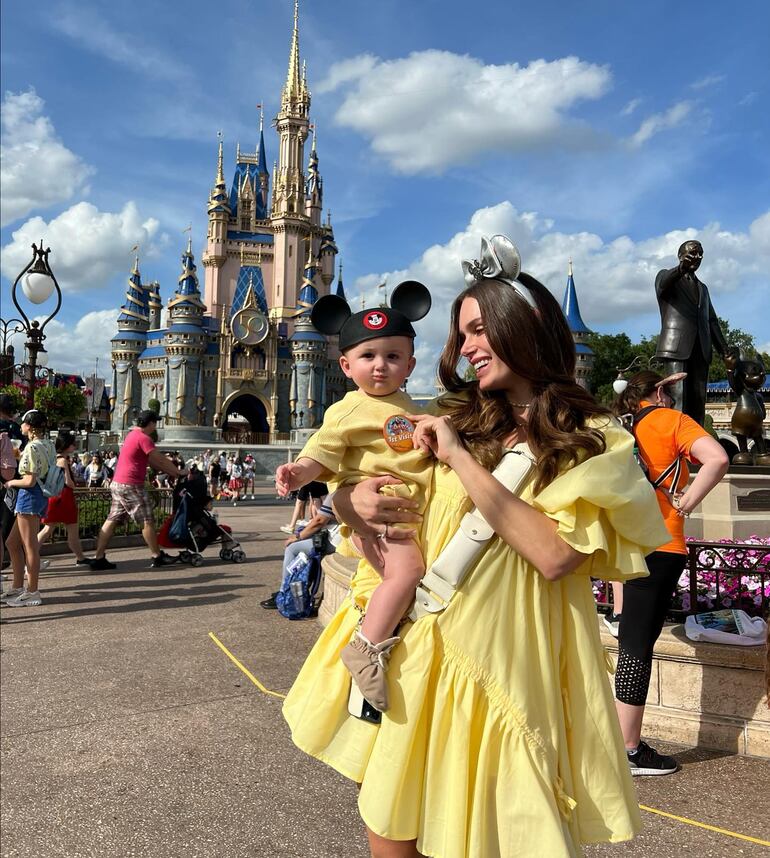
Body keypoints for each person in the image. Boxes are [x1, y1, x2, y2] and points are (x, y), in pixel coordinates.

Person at [282, 235, 670, 858]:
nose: (466, 348)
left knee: (498, 834)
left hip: (505, 663)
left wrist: (459, 457)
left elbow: (554, 554)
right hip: (421, 648)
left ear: (530, 327)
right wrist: (350, 501)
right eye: (463, 335)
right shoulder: (457, 416)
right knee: (392, 827)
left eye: (481, 329)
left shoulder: (594, 439)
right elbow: (378, 489)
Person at [276, 281, 432, 713]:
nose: (380, 366)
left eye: (392, 356)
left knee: (404, 585)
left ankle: (379, 646)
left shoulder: (414, 407)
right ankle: (365, 649)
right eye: (368, 356)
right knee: (406, 573)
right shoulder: (346, 410)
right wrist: (297, 471)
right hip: (381, 519)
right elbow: (321, 452)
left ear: (410, 364)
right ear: (345, 365)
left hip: (405, 516)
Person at [610, 370, 728, 775]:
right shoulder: (671, 421)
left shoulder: (619, 427)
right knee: (637, 648)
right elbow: (718, 458)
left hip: (625, 546)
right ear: (660, 392)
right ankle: (627, 749)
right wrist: (685, 503)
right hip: (662, 545)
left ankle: (616, 741)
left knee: (630, 637)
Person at [88, 410, 187, 570]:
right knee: (147, 520)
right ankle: (157, 556)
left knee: (111, 520)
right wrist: (179, 472)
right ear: (151, 423)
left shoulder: (132, 435)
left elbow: (153, 462)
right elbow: (160, 459)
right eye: (155, 423)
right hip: (131, 485)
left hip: (118, 484)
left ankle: (98, 557)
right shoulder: (144, 438)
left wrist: (172, 472)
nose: (155, 427)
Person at [654, 240, 735, 426]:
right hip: (677, 346)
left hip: (702, 348)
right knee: (678, 398)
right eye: (693, 253)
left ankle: (695, 445)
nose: (697, 257)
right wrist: (681, 268)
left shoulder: (703, 288)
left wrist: (724, 350)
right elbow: (662, 286)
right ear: (681, 255)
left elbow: (712, 321)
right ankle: (677, 447)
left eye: (700, 254)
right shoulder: (667, 277)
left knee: (698, 403)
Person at [2, 410, 57, 608]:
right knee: (12, 542)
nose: (21, 426)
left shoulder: (33, 447)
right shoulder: (48, 444)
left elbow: (29, 480)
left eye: (24, 423)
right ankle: (19, 587)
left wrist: (11, 483)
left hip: (29, 496)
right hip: (39, 496)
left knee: (29, 545)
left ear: (31, 427)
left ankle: (32, 590)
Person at [261, 494, 340, 610]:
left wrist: (298, 537)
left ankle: (285, 594)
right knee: (310, 547)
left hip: (337, 541)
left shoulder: (338, 491)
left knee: (293, 548)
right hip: (346, 538)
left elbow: (319, 521)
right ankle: (295, 591)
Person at [37, 431, 91, 566]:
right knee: (70, 529)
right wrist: (75, 485)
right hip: (64, 497)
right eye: (73, 444)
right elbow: (68, 482)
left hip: (56, 497)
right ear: (67, 445)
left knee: (49, 529)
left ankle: (81, 558)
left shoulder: (54, 457)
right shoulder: (62, 460)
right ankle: (81, 558)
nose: (74, 446)